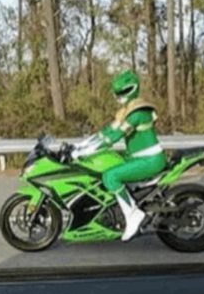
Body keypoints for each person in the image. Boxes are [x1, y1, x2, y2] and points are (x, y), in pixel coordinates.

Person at [71, 69, 167, 241]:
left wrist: (87, 151)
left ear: (132, 89)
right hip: (137, 157)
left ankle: (133, 215)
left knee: (110, 176)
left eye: (121, 93)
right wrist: (81, 145)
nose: (118, 97)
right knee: (111, 165)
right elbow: (107, 131)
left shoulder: (138, 113)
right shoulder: (128, 110)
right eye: (117, 94)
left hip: (149, 160)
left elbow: (115, 136)